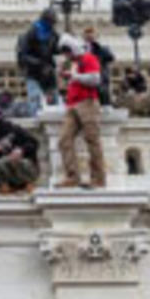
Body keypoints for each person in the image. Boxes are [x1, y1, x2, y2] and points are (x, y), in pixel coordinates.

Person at [55, 34, 105, 188]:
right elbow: (74, 80)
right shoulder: (74, 63)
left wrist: (74, 76)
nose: (66, 55)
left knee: (92, 140)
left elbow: (96, 79)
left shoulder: (89, 58)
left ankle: (98, 179)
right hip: (72, 105)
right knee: (64, 139)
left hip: (87, 102)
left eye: (66, 51)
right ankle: (72, 177)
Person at [15, 8, 60, 114]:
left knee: (53, 100)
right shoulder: (30, 34)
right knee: (35, 99)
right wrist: (40, 64)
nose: (52, 24)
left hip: (48, 73)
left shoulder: (53, 34)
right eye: (50, 21)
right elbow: (23, 56)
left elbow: (57, 49)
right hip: (33, 73)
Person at [0, 106, 39, 193]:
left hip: (23, 163)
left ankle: (28, 183)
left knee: (16, 161)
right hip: (7, 167)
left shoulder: (16, 129)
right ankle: (4, 185)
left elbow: (34, 143)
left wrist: (21, 150)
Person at [83, 26, 115, 106]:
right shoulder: (82, 49)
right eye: (87, 36)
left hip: (100, 77)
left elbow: (110, 57)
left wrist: (98, 46)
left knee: (102, 96)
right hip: (87, 77)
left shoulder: (102, 48)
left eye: (92, 36)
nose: (89, 38)